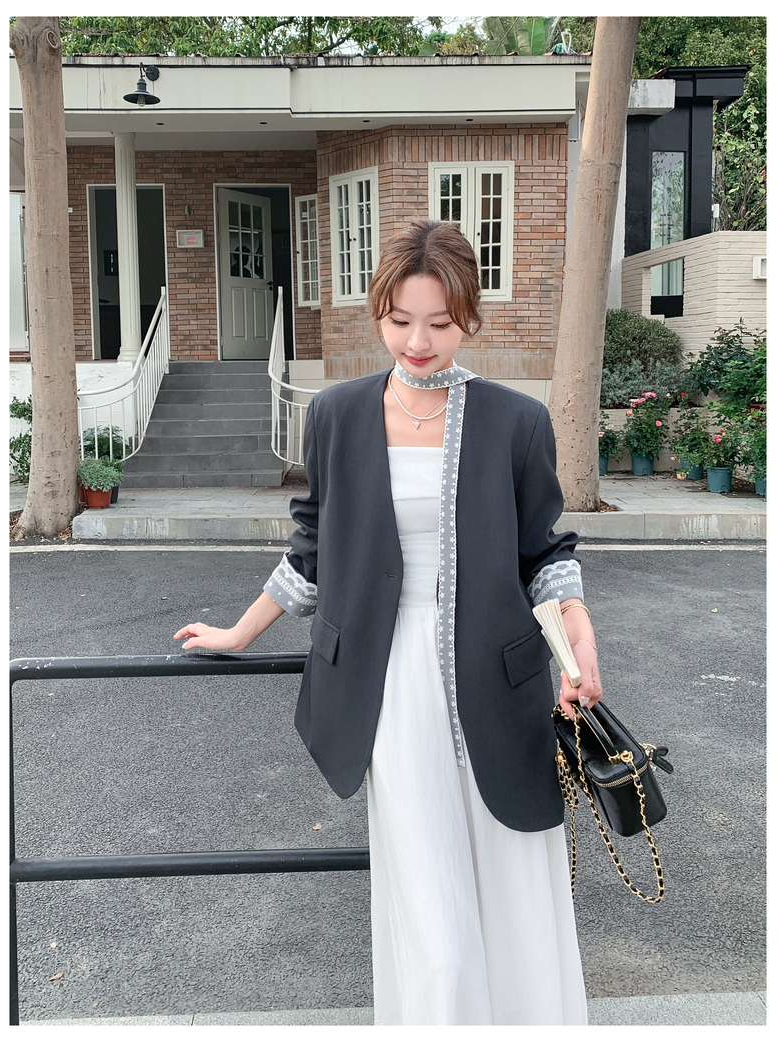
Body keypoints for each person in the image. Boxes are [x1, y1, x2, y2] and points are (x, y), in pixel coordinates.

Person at [174, 219, 603, 1026]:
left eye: (440, 322)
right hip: (388, 687)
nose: (418, 342)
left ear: (468, 317)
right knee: (438, 937)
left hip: (501, 681)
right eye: (401, 320)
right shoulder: (337, 415)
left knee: (517, 906)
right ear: (379, 311)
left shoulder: (516, 421)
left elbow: (545, 551)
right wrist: (239, 632)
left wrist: (579, 638)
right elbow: (313, 549)